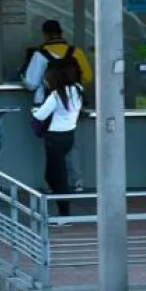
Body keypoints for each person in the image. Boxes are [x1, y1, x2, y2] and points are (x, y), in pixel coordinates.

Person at [21, 19, 92, 191]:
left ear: (45, 34)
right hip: (71, 102)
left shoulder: (39, 54)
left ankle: (55, 184)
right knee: (71, 143)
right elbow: (88, 76)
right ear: (61, 33)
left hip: (46, 102)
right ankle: (77, 181)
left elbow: (31, 83)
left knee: (52, 147)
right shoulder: (76, 52)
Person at [31, 63, 84, 223]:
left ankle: (64, 214)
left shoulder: (56, 95)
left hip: (54, 137)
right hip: (69, 135)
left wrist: (33, 111)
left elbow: (40, 115)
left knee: (56, 176)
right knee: (57, 174)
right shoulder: (78, 89)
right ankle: (63, 206)